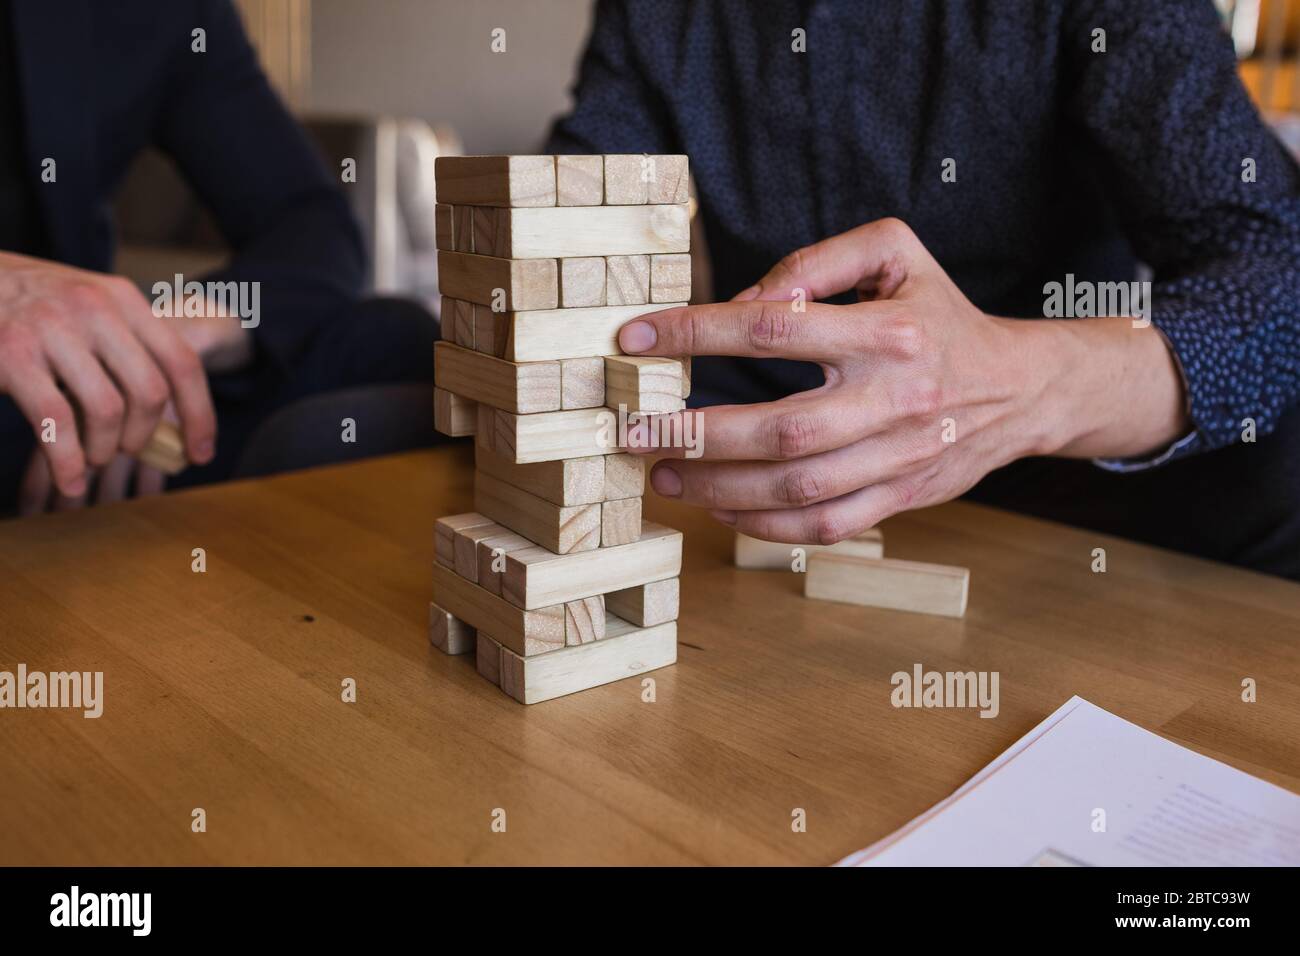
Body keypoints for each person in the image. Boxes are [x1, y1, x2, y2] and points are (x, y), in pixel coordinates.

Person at [547, 0, 1300, 580]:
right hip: (755, 433)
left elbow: (1275, 273)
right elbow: (571, 217)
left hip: (1057, 463)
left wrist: (1016, 387)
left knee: (1278, 467)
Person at [0, 0, 435, 516]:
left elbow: (311, 222)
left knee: (394, 342)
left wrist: (174, 340)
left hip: (83, 395)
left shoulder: (172, 15)